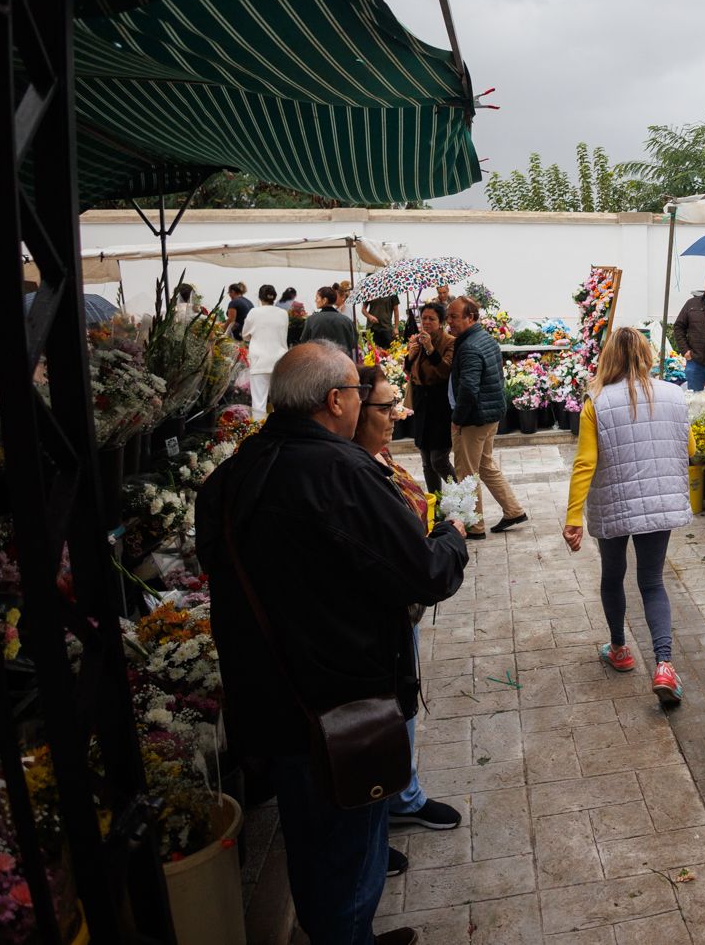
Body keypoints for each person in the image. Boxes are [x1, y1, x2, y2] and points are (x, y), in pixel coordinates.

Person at [197, 343, 469, 945]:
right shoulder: (339, 471)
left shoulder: (238, 468)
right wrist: (451, 537)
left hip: (271, 691)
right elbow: (423, 572)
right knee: (342, 843)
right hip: (337, 697)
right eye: (356, 391)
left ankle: (353, 933)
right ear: (336, 400)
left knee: (320, 835)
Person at [351, 364, 462, 834]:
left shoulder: (377, 458)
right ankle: (394, 802)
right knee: (390, 713)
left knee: (402, 708)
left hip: (399, 610)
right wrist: (445, 543)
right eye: (387, 406)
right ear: (352, 410)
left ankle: (399, 797)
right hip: (378, 616)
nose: (397, 414)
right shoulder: (354, 470)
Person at [563, 328, 690, 706]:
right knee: (652, 582)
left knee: (612, 574)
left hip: (613, 502)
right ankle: (664, 665)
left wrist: (572, 517)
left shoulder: (596, 402)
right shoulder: (674, 395)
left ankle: (619, 648)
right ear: (647, 355)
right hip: (659, 503)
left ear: (609, 358)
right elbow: (689, 446)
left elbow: (585, 463)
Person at [446, 297, 527, 538]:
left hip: (473, 419)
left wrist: (458, 418)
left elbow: (469, 388)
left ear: (470, 318)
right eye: (448, 316)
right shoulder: (483, 339)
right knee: (486, 465)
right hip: (489, 415)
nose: (449, 321)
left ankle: (474, 526)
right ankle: (513, 510)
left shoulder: (470, 346)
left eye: (454, 317)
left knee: (466, 474)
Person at [403, 302, 456, 493]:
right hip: (421, 402)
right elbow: (409, 370)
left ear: (441, 322)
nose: (426, 322)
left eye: (431, 319)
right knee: (426, 460)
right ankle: (436, 499)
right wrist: (410, 355)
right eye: (423, 318)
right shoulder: (417, 340)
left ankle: (461, 494)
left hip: (440, 404)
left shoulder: (449, 341)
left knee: (439, 459)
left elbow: (444, 370)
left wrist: (430, 348)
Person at [240, 285, 291, 422]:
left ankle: (259, 434)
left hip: (259, 362)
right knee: (279, 403)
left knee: (259, 404)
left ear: (260, 297)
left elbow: (245, 335)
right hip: (279, 362)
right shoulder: (283, 313)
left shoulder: (254, 312)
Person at [301, 285, 358, 360]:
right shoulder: (347, 321)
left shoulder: (311, 320)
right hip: (343, 363)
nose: (315, 300)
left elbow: (304, 342)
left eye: (317, 298)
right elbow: (354, 343)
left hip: (319, 363)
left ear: (324, 300)